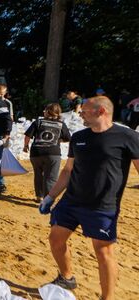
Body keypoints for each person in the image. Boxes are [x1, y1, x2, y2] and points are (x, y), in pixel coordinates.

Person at [38, 96, 139, 300]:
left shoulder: (127, 137)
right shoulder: (79, 136)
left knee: (103, 252)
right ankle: (66, 278)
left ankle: (107, 298)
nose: (80, 113)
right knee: (55, 239)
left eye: (85, 111)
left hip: (102, 206)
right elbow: (67, 170)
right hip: (71, 200)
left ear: (101, 111)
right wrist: (50, 196)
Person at [23, 103, 71, 202]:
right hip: (53, 153)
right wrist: (57, 140)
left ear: (48, 111)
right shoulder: (61, 124)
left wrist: (25, 146)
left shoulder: (38, 122)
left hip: (36, 153)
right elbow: (68, 138)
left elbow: (27, 136)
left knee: (38, 174)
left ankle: (38, 197)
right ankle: (47, 200)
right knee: (51, 177)